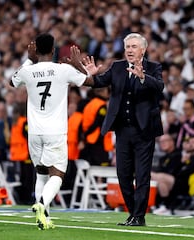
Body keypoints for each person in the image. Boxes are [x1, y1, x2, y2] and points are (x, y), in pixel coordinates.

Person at [10, 33, 91, 230]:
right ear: (53, 51)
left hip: (34, 132)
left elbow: (12, 82)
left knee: (41, 173)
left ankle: (43, 217)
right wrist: (78, 64)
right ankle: (41, 204)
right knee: (58, 174)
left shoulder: (28, 71)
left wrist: (29, 59)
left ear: (36, 50)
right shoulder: (63, 70)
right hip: (55, 131)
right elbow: (89, 82)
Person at [82, 32, 164, 226]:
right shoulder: (117, 67)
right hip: (123, 130)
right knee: (122, 174)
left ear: (143, 50)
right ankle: (132, 212)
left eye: (134, 47)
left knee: (142, 174)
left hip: (144, 131)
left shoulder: (153, 67)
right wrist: (90, 76)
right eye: (127, 47)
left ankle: (139, 216)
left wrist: (144, 77)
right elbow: (100, 82)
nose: (129, 50)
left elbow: (160, 86)